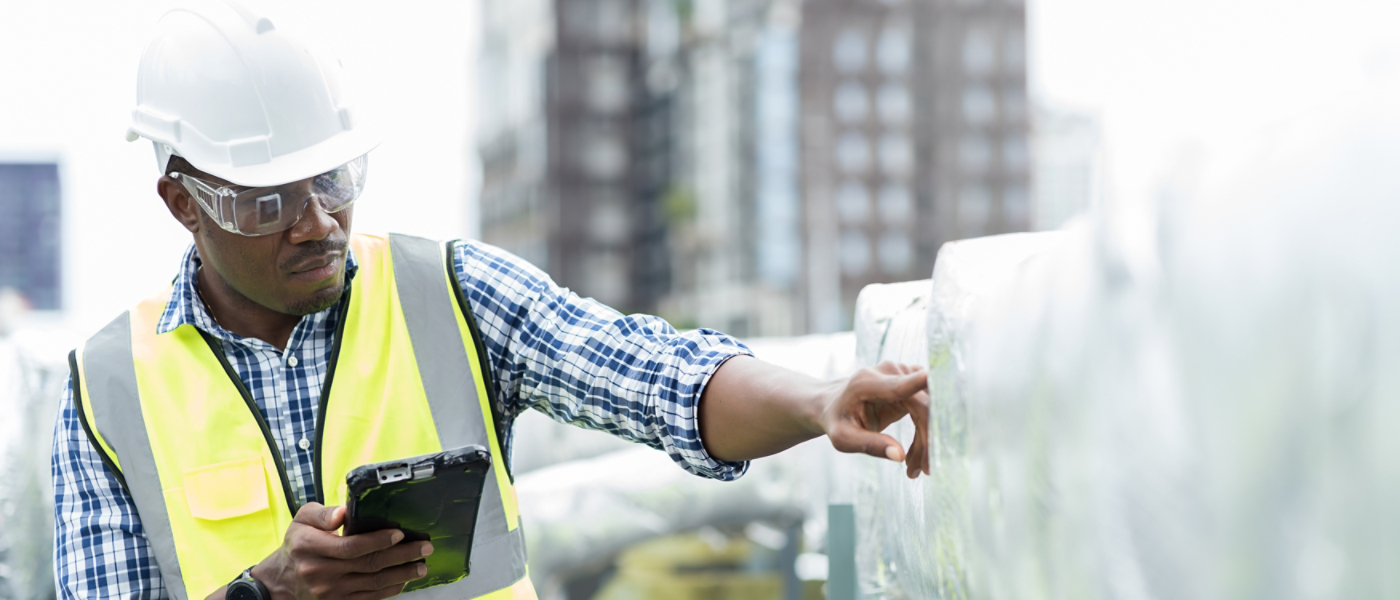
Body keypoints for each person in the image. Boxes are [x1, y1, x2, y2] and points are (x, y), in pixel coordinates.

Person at [52, 3, 930, 599]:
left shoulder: (452, 294)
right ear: (181, 202)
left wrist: (815, 403)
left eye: (332, 179)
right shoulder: (107, 391)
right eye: (267, 201)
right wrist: (266, 590)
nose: (315, 222)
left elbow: (656, 376)